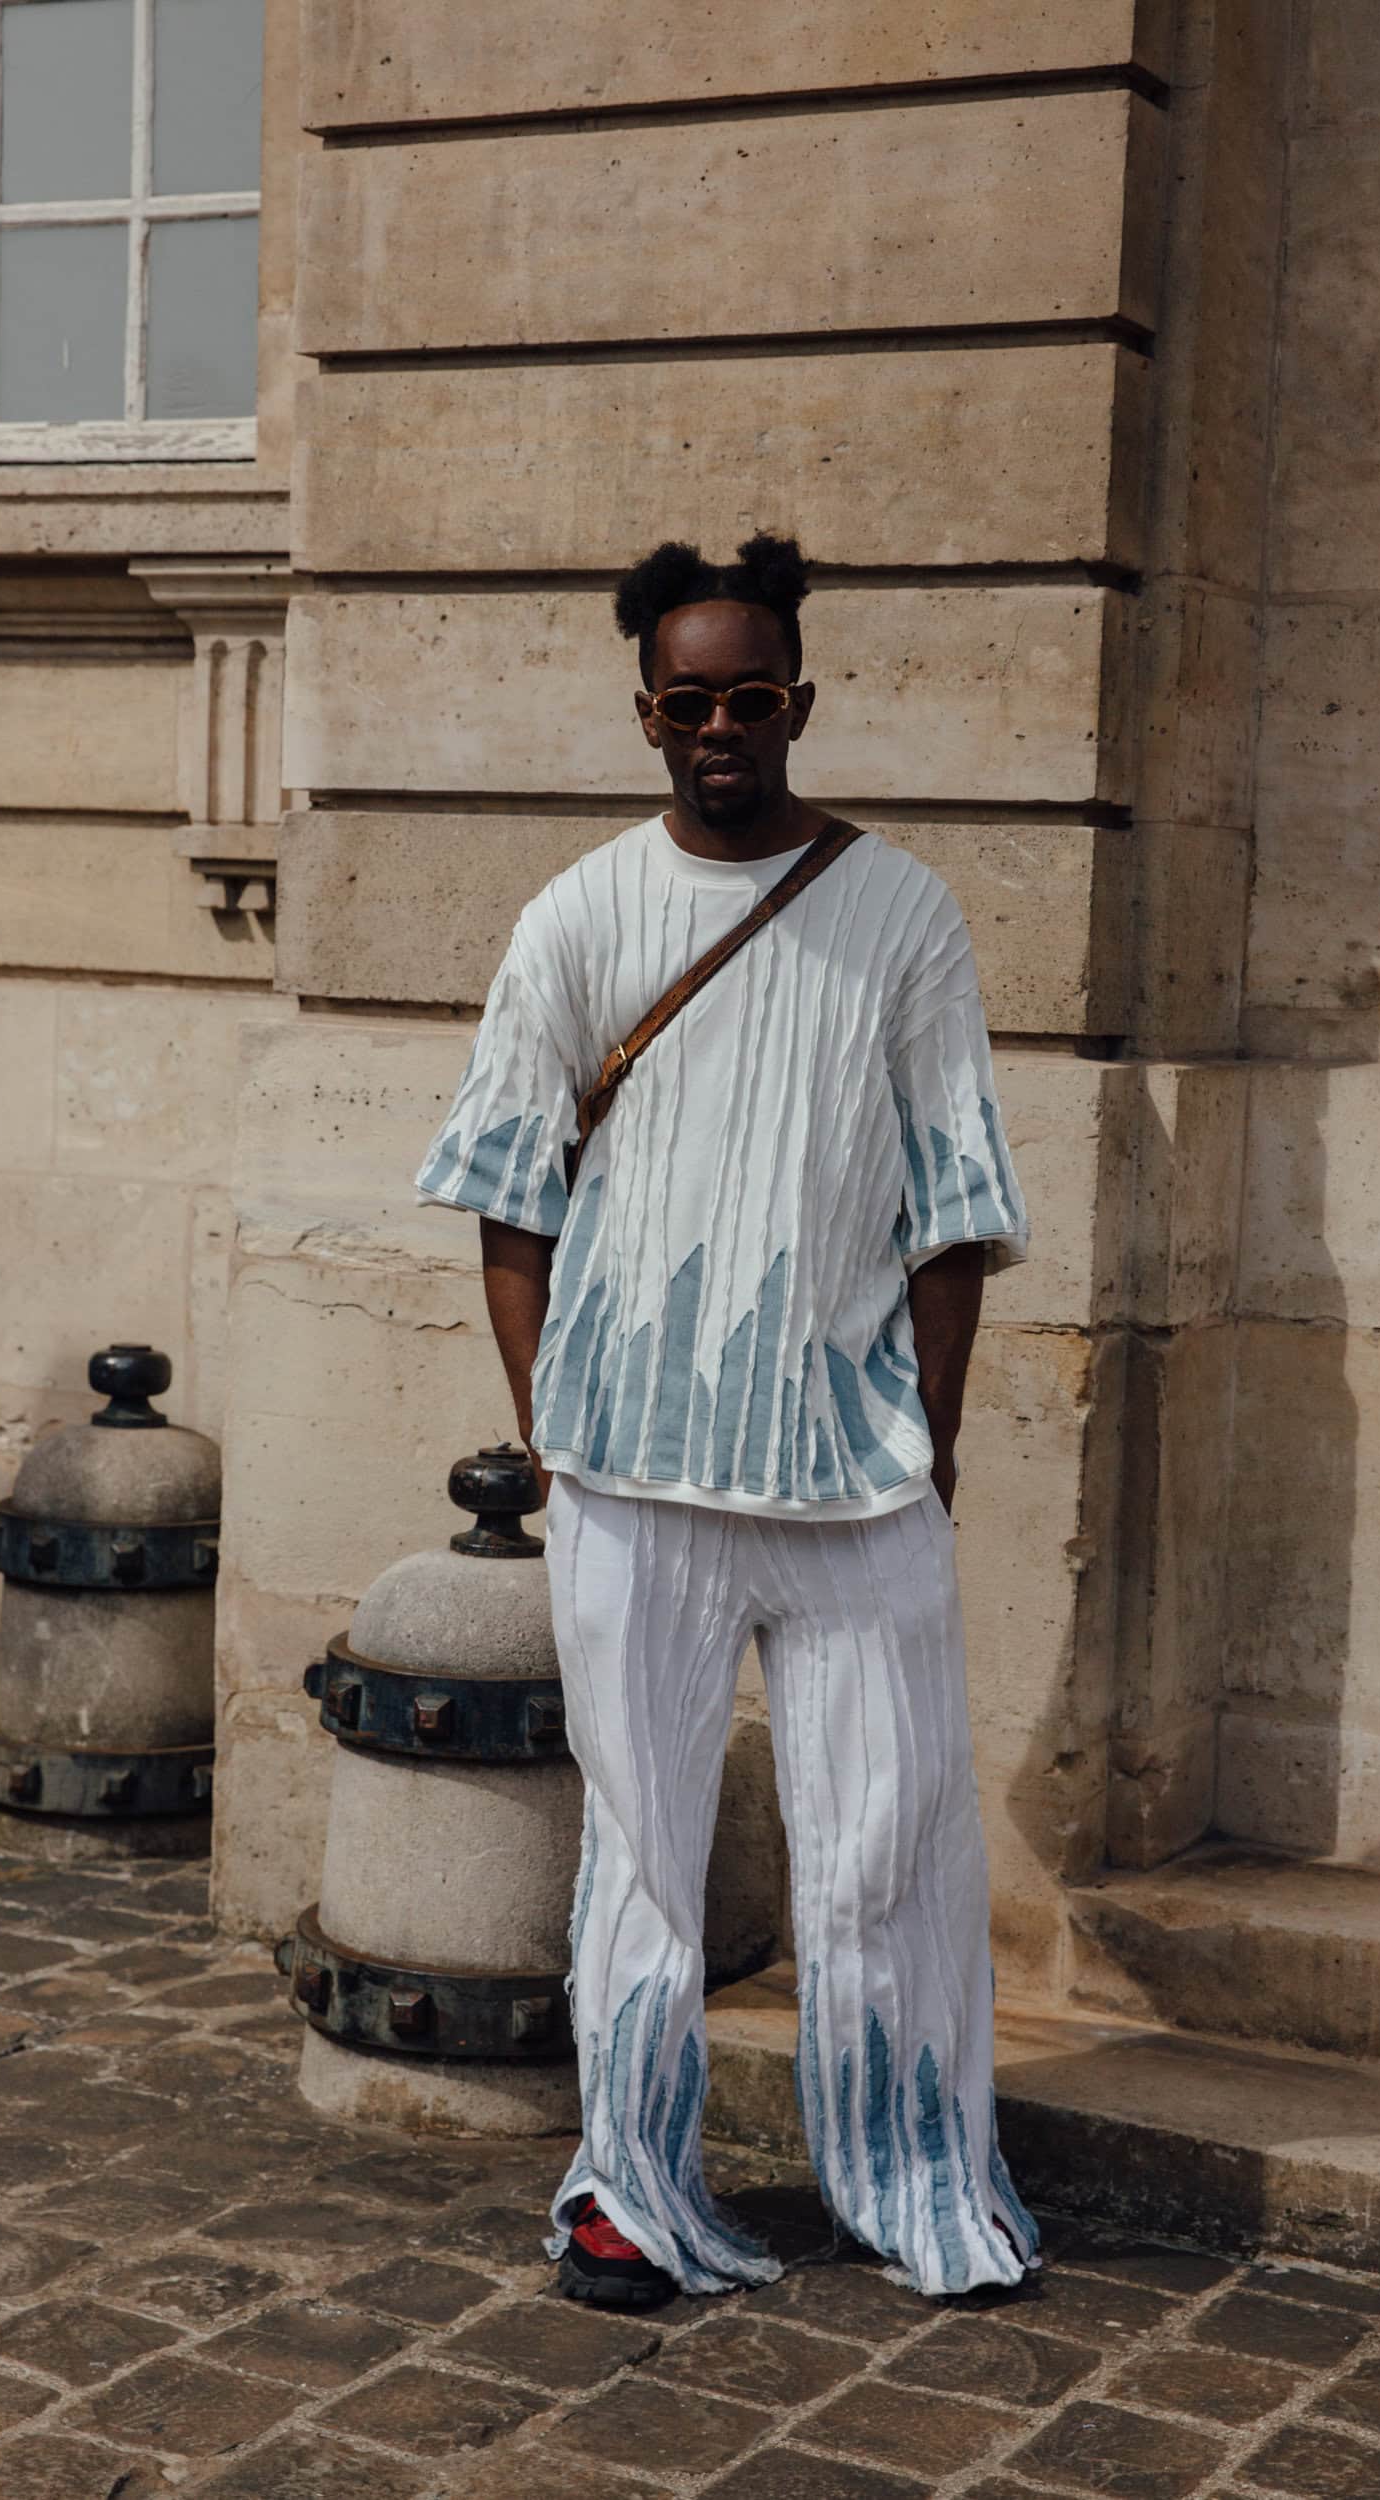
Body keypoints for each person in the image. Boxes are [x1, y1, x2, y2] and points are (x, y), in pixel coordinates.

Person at [416, 533, 1038, 2309]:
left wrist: (933, 1440)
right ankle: (627, 2193)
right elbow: (511, 1201)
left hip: (856, 1479)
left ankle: (914, 2179)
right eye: (686, 701)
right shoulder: (579, 915)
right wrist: (552, 1427)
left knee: (889, 1847)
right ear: (646, 714)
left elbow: (953, 1211)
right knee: (643, 1854)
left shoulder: (900, 912)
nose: (719, 728)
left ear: (798, 704)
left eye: (749, 697)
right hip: (629, 1474)